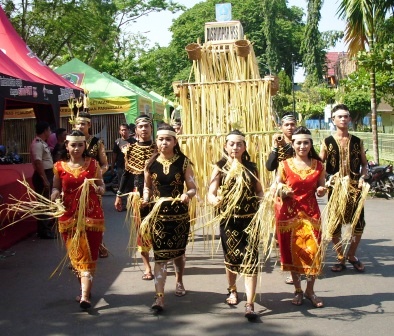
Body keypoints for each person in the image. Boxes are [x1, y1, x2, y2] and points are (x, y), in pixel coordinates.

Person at [207, 130, 264, 320]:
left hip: (250, 220)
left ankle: (250, 303)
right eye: (231, 144)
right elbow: (211, 191)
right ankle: (232, 289)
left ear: (244, 147)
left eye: (239, 144)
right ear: (226, 146)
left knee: (251, 261)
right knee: (231, 259)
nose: (235, 147)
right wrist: (214, 200)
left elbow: (259, 192)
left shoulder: (251, 167)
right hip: (229, 221)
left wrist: (264, 203)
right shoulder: (220, 167)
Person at [141, 123, 196, 312]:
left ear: (175, 141)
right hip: (158, 215)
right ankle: (159, 298)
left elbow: (192, 187)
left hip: (179, 215)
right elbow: (147, 187)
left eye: (168, 139)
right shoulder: (150, 163)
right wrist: (145, 199)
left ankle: (179, 280)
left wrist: (186, 195)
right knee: (161, 256)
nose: (164, 143)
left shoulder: (184, 162)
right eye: (161, 139)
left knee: (179, 252)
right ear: (156, 141)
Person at [51, 130, 105, 309]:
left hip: (91, 216)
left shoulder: (93, 164)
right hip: (69, 216)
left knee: (89, 256)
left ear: (85, 146)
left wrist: (100, 189)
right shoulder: (59, 166)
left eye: (80, 145)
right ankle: (85, 289)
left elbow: (101, 184)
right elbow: (56, 188)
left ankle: (84, 296)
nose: (76, 148)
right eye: (73, 145)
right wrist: (55, 195)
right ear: (66, 146)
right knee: (76, 257)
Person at [275, 126, 326, 308]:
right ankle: (297, 290)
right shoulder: (284, 165)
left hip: (311, 214)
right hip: (289, 216)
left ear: (311, 144)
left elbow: (321, 189)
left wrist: (321, 190)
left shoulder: (319, 165)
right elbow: (276, 187)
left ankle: (310, 290)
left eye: (306, 143)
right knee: (293, 254)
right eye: (299, 143)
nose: (302, 146)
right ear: (293, 144)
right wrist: (283, 191)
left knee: (313, 253)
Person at [320, 104, 368, 273]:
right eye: (339, 116)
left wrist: (363, 177)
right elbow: (320, 164)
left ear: (349, 119)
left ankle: (352, 255)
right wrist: (325, 181)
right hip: (336, 190)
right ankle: (340, 256)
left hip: (355, 188)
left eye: (346, 116)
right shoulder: (328, 142)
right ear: (333, 120)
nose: (343, 119)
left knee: (358, 223)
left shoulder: (357, 141)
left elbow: (364, 164)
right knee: (334, 225)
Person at [114, 115, 157, 280]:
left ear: (151, 129)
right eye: (141, 127)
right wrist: (119, 195)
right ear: (136, 130)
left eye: (147, 126)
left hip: (159, 195)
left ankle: (161, 262)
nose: (144, 129)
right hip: (138, 195)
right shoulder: (130, 150)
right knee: (142, 230)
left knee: (158, 229)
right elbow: (127, 174)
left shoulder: (158, 148)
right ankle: (147, 267)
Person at [265, 113, 297, 285]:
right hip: (281, 191)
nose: (290, 128)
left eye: (292, 124)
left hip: (299, 190)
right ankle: (289, 265)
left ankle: (298, 266)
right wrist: (277, 148)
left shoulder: (300, 143)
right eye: (287, 125)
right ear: (281, 127)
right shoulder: (277, 144)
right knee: (282, 228)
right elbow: (270, 166)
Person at [75, 111, 109, 258]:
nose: (80, 126)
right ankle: (77, 251)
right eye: (77, 123)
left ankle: (98, 245)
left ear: (89, 125)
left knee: (95, 218)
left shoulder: (97, 143)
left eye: (83, 123)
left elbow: (105, 164)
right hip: (75, 187)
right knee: (76, 220)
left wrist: (96, 176)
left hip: (93, 187)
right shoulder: (72, 142)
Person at [30, 121, 56, 239]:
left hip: (48, 173)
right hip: (43, 175)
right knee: (43, 203)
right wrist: (44, 179)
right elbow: (38, 162)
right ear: (45, 130)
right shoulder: (37, 144)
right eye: (49, 130)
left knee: (47, 202)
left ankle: (47, 227)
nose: (50, 132)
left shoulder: (42, 143)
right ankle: (44, 231)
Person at [112, 123, 136, 199]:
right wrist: (112, 166)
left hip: (131, 167)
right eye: (122, 130)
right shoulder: (117, 142)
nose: (124, 131)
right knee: (121, 184)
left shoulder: (134, 141)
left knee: (130, 184)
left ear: (128, 130)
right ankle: (121, 202)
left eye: (125, 129)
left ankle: (131, 202)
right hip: (120, 167)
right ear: (119, 131)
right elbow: (114, 155)